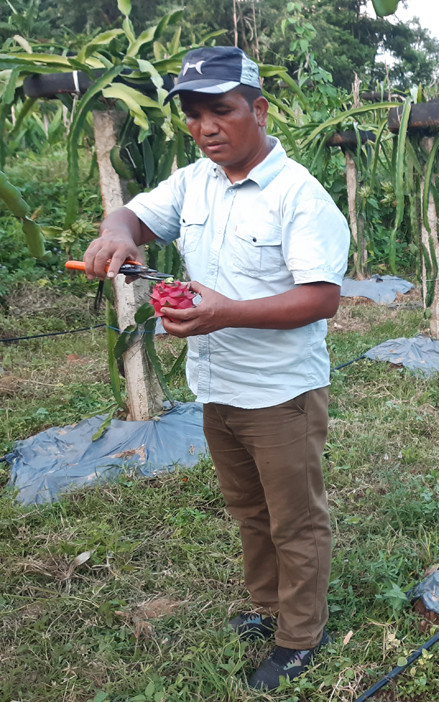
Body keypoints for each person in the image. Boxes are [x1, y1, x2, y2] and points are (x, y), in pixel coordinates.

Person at [83, 46, 349, 691]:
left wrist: (227, 312)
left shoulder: (300, 196)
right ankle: (267, 610)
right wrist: (117, 232)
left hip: (281, 391)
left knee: (295, 519)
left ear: (257, 110)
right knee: (249, 510)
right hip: (218, 386)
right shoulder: (193, 181)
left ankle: (299, 636)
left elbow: (321, 298)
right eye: (194, 114)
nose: (206, 127)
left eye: (221, 111)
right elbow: (133, 215)